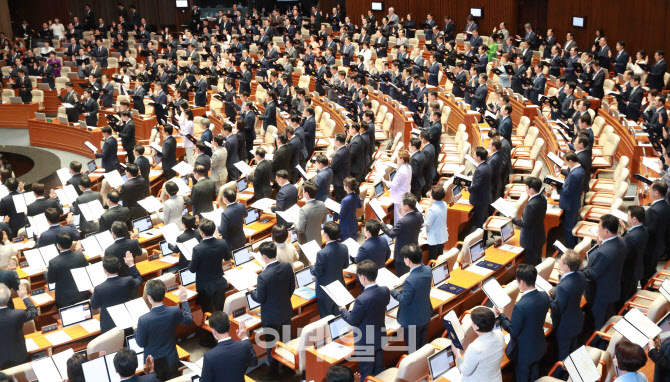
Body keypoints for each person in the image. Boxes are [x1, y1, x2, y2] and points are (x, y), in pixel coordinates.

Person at [248, 242, 295, 379]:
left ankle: (274, 372)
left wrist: (251, 291)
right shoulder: (286, 266)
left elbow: (260, 298)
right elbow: (292, 286)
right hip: (286, 310)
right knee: (286, 340)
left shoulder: (263, 276)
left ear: (263, 257)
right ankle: (289, 367)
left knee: (271, 344)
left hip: (271, 316)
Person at [497, 264, 550, 382]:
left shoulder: (520, 306)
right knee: (534, 375)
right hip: (539, 345)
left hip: (524, 352)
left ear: (522, 282)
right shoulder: (544, 296)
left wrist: (502, 316)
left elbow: (514, 331)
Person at [339, 260, 390, 381]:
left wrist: (343, 310)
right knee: (378, 370)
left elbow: (353, 321)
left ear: (363, 277)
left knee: (366, 373)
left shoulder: (361, 299)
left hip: (365, 341)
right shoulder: (384, 290)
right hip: (380, 335)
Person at [135, 279, 192, 380]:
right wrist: (184, 300)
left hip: (153, 363)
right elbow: (188, 321)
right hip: (171, 359)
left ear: (149, 297)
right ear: (165, 292)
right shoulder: (174, 311)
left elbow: (141, 343)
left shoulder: (143, 320)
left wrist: (136, 329)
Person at [585, 214, 627, 329]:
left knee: (599, 323)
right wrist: (601, 246)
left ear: (606, 231)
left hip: (601, 293)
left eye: (599, 228)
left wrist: (578, 269)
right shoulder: (621, 242)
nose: (598, 230)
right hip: (613, 287)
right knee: (607, 316)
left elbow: (593, 274)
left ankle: (597, 343)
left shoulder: (603, 253)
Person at [392, 244, 432, 353]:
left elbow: (404, 300)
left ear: (408, 260)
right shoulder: (428, 270)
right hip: (425, 315)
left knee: (413, 352)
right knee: (422, 348)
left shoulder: (410, 280)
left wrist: (394, 292)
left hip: (412, 321)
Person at [91, 254, 143, 333]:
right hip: (127, 321)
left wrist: (93, 292)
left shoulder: (99, 289)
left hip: (110, 327)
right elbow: (139, 279)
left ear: (104, 270)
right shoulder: (128, 280)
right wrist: (131, 264)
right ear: (119, 266)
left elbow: (94, 306)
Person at [200, 312, 258, 382]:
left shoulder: (209, 356)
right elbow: (254, 362)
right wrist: (245, 337)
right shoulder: (244, 345)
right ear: (230, 325)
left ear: (213, 330)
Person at [452, 306, 505, 382]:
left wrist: (457, 353)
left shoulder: (475, 348)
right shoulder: (500, 334)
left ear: (476, 326)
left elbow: (465, 371)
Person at [190, 219, 230, 316]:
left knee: (208, 313)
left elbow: (192, 269)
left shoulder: (197, 249)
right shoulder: (222, 243)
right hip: (219, 282)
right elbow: (227, 258)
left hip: (205, 286)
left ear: (201, 232)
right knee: (220, 311)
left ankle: (208, 330)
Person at [551, 249, 586, 361]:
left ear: (566, 267)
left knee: (564, 356)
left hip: (565, 326)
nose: (558, 262)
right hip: (577, 319)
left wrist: (546, 297)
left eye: (560, 261)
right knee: (574, 351)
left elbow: (557, 308)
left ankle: (563, 376)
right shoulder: (581, 276)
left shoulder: (563, 287)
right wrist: (563, 277)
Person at [311, 222, 349, 317]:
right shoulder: (344, 247)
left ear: (326, 235)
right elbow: (345, 265)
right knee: (339, 315)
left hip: (325, 290)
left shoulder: (321, 253)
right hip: (339, 285)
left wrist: (311, 266)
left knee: (327, 318)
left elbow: (317, 273)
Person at [381, 193, 423, 276]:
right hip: (413, 250)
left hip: (402, 255)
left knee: (402, 277)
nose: (401, 205)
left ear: (406, 206)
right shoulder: (419, 215)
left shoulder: (402, 221)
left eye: (402, 204)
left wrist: (382, 224)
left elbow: (391, 233)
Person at [46, 232, 89, 309]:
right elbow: (86, 269)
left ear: (58, 245)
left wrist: (45, 272)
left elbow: (51, 280)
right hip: (81, 294)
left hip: (64, 299)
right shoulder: (80, 255)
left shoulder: (53, 262)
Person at [511, 177, 547, 265]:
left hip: (530, 240)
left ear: (530, 189)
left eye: (526, 186)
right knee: (538, 260)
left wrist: (513, 219)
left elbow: (526, 224)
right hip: (539, 235)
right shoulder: (542, 199)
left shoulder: (530, 205)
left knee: (531, 263)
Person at [0, 283, 36, 369]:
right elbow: (34, 312)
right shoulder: (18, 314)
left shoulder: (18, 314)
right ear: (9, 298)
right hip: (20, 355)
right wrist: (24, 297)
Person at [642, 181, 670, 287]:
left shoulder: (653, 211)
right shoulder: (666, 205)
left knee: (645, 274)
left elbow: (649, 230)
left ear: (656, 193)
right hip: (660, 246)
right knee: (651, 270)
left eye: (650, 189)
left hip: (650, 248)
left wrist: (637, 226)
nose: (649, 191)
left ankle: (646, 291)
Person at [555, 152, 584, 248]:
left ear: (571, 161)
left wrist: (556, 188)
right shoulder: (579, 169)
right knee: (572, 225)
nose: (566, 164)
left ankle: (570, 248)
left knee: (569, 228)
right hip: (574, 202)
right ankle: (573, 244)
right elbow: (572, 178)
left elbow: (567, 191)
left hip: (570, 204)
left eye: (566, 162)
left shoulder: (574, 174)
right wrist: (563, 172)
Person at [620, 206, 648, 305]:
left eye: (628, 215)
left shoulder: (631, 237)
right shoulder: (644, 230)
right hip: (637, 269)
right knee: (631, 294)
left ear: (634, 219)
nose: (626, 217)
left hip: (627, 273)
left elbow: (623, 255)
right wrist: (625, 233)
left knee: (624, 299)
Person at [468, 147, 492, 238]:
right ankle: (484, 238)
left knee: (479, 222)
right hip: (485, 196)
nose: (473, 156)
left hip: (479, 199)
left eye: (474, 154)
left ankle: (480, 241)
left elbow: (476, 186)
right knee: (482, 219)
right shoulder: (487, 165)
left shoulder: (480, 170)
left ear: (478, 157)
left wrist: (468, 188)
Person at [384, 149, 412, 224]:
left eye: (398, 158)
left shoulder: (401, 171)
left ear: (402, 159)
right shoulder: (408, 167)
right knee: (403, 215)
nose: (397, 159)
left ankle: (398, 234)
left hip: (399, 197)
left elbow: (394, 184)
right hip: (405, 193)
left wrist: (385, 181)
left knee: (399, 217)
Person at [425, 185, 448, 261]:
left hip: (434, 238)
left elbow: (427, 224)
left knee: (433, 260)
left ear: (432, 197)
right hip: (442, 235)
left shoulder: (432, 209)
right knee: (440, 257)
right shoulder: (444, 204)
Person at [338, 177, 362, 241]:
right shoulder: (357, 196)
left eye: (344, 185)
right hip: (353, 224)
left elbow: (341, 216)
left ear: (347, 187)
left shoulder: (345, 200)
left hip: (345, 227)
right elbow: (359, 206)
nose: (343, 186)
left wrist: (333, 214)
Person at [331, 133, 351, 201]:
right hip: (345, 175)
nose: (334, 141)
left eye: (335, 140)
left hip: (339, 180)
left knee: (340, 199)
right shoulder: (346, 148)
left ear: (338, 142)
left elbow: (332, 167)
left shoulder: (338, 154)